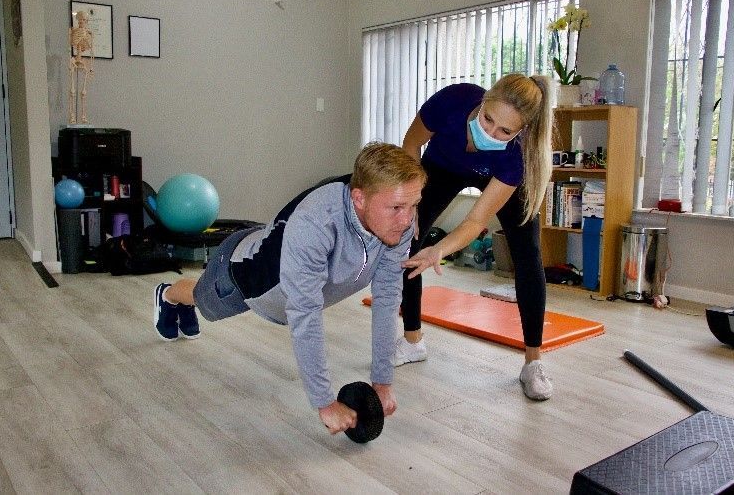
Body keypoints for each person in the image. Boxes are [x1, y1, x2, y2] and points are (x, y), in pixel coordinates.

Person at [152, 142, 426, 434]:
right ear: (359, 198)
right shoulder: (318, 222)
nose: (407, 219)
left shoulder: (397, 226)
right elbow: (305, 310)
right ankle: (168, 294)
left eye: (413, 205)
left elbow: (386, 299)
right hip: (243, 278)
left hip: (288, 275)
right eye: (397, 207)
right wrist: (324, 402)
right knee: (202, 301)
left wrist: (383, 380)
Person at [395, 73, 555, 401]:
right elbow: (411, 143)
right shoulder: (451, 102)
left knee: (527, 253)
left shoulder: (514, 157)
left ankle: (532, 363)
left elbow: (475, 221)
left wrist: (439, 250)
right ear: (482, 102)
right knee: (407, 237)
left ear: (520, 132)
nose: (490, 132)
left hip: (495, 175)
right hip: (442, 166)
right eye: (488, 119)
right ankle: (412, 341)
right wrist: (412, 202)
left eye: (505, 131)